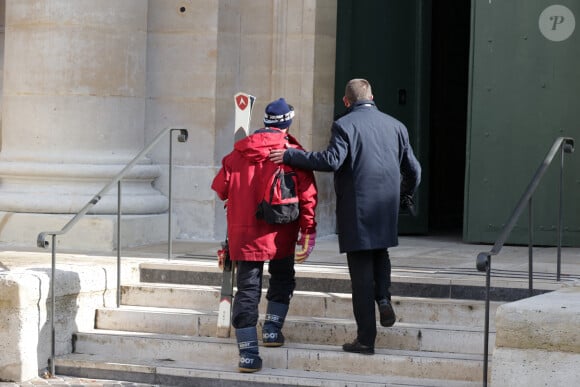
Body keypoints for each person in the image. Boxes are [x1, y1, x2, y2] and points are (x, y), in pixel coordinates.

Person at [269, 79, 421, 355]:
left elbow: (331, 160)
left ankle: (365, 340)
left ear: (346, 101)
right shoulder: (397, 126)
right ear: (372, 96)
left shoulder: (344, 125)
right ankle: (384, 299)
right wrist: (404, 194)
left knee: (361, 276)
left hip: (357, 209)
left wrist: (291, 156)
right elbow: (414, 170)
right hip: (385, 206)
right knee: (380, 252)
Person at [211, 98, 318, 372]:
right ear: (287, 124)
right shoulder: (293, 153)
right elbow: (308, 197)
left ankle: (248, 355)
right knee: (282, 278)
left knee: (247, 291)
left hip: (244, 236)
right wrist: (308, 231)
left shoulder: (236, 155)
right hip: (281, 232)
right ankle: (271, 329)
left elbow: (221, 188)